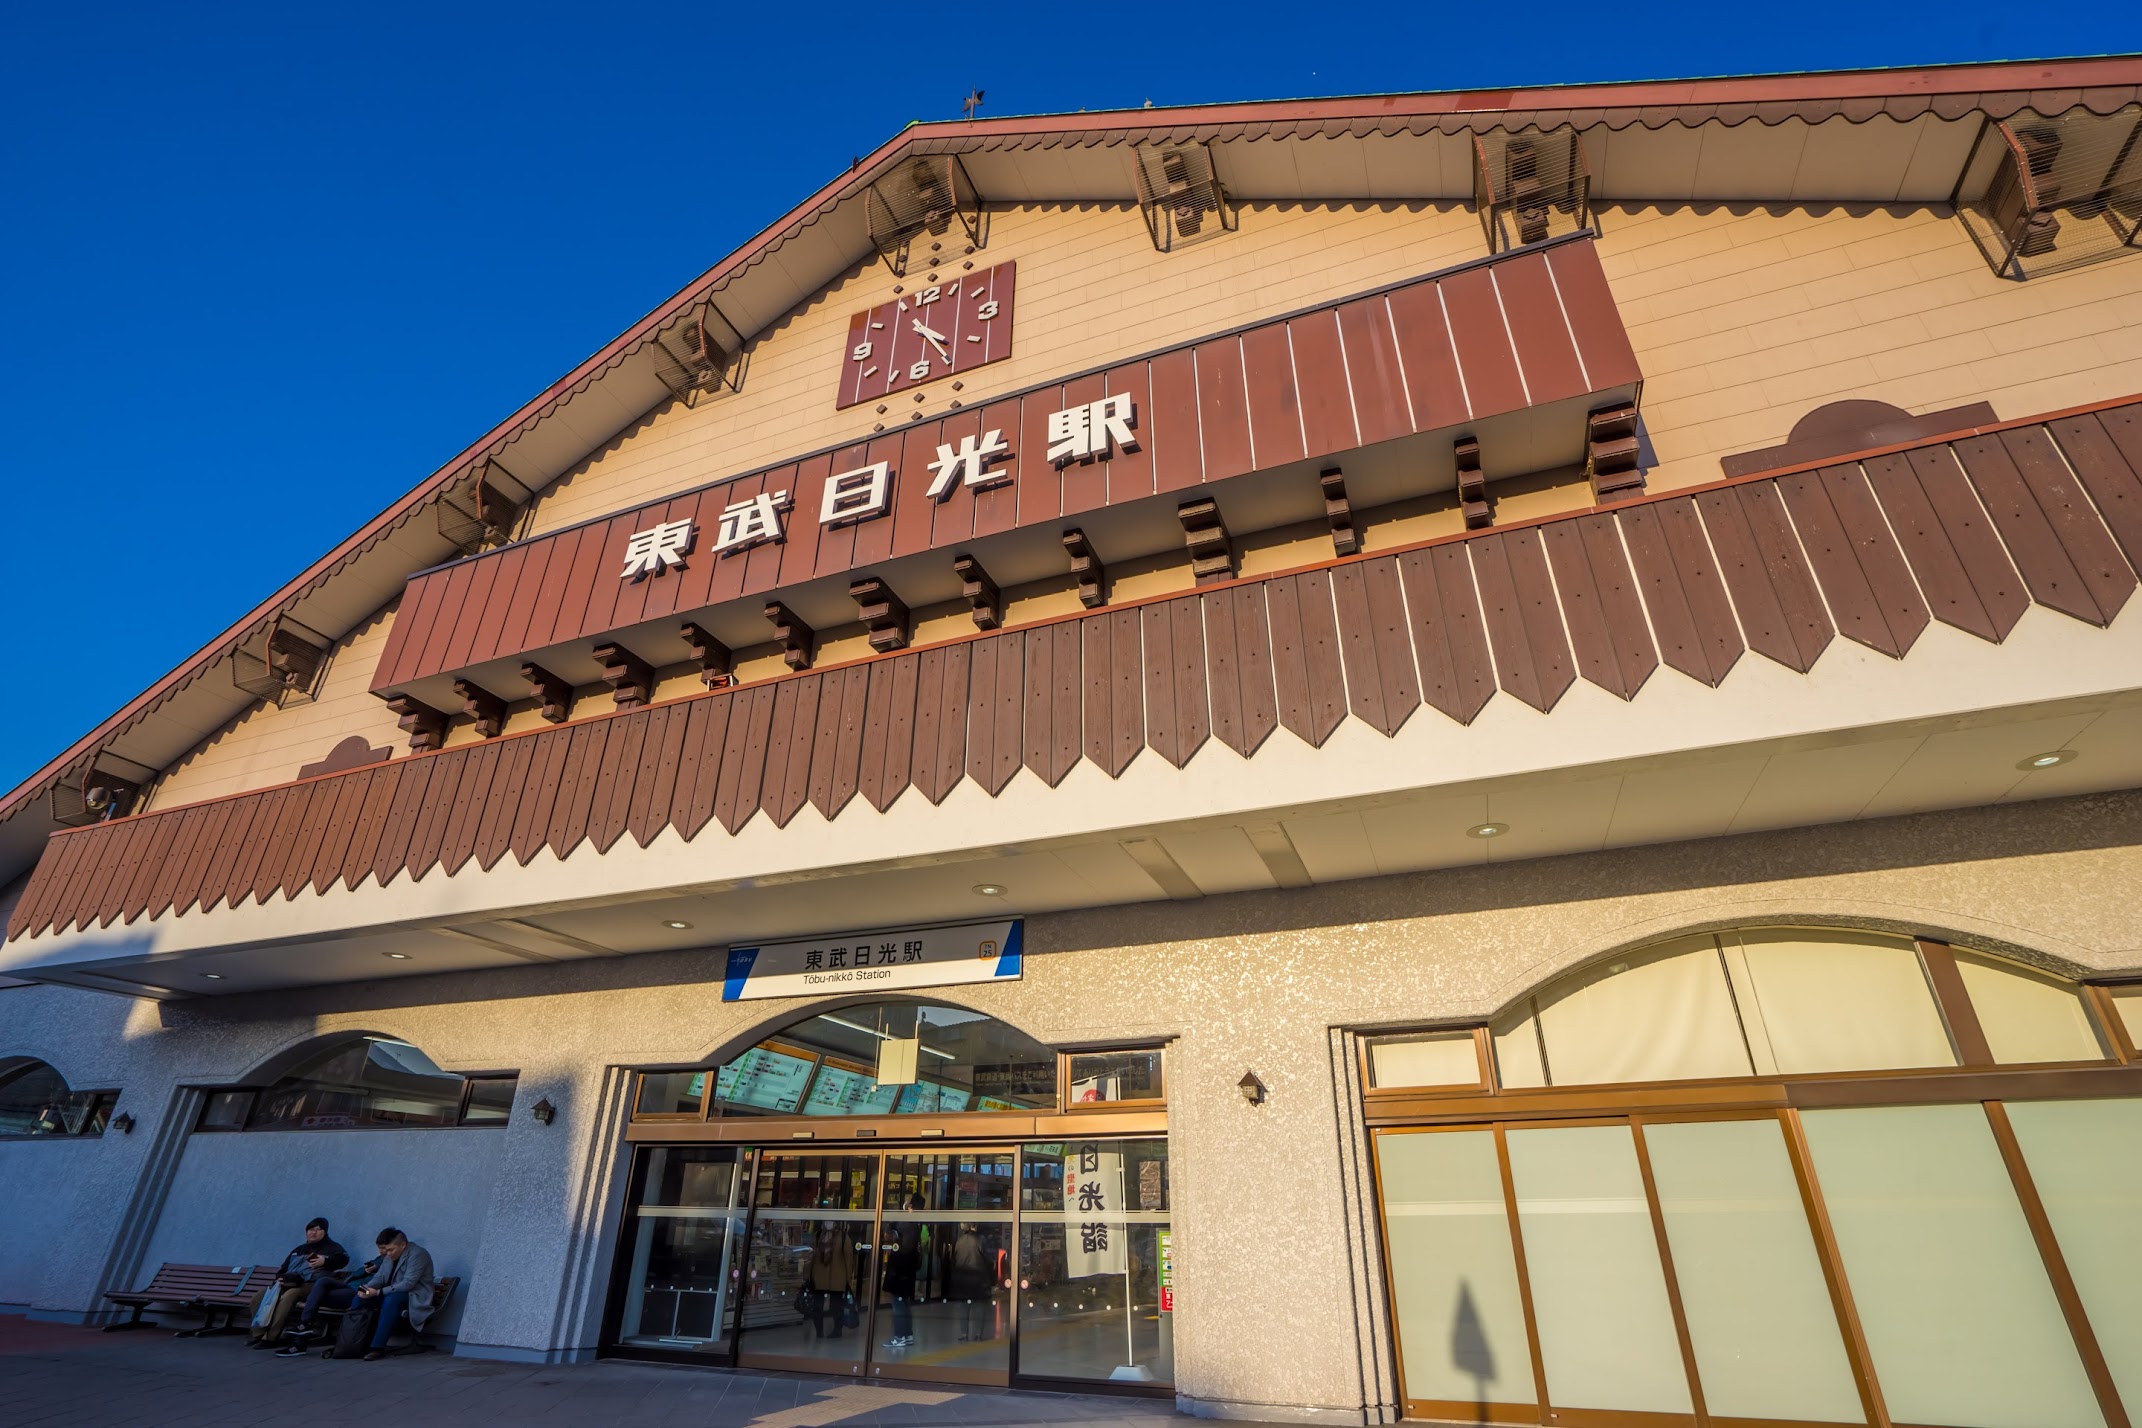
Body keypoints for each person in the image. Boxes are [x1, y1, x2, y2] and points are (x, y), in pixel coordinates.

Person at [276, 1227, 435, 1361]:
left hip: (412, 1296)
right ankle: (349, 1343)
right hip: (389, 1293)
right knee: (360, 1300)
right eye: (385, 1250)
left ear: (403, 1245)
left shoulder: (418, 1254)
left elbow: (408, 1284)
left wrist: (378, 1292)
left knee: (390, 1300)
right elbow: (379, 1278)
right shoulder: (389, 1255)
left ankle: (377, 1347)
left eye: (391, 1250)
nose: (388, 1254)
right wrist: (365, 1289)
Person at [248, 1217, 348, 1349]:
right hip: (288, 1283)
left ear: (325, 1232)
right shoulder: (298, 1250)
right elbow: (283, 1268)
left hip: (311, 1285)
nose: (314, 1232)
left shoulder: (332, 1248)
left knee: (290, 1296)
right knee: (258, 1297)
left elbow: (343, 1259)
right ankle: (259, 1335)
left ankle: (271, 1338)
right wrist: (280, 1278)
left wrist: (326, 1262)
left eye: (318, 1230)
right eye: (311, 1229)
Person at [880, 1197, 922, 1350]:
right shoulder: (915, 1225)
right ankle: (908, 1334)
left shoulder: (906, 1225)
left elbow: (902, 1248)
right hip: (907, 1272)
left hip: (900, 1272)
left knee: (898, 1304)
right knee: (904, 1303)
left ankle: (900, 1336)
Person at [803, 1221, 855, 1340]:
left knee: (836, 1307)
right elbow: (810, 1256)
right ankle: (819, 1331)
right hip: (819, 1277)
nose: (828, 1223)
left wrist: (848, 1278)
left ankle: (837, 1330)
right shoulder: (817, 1235)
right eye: (826, 1220)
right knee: (817, 1307)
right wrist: (807, 1275)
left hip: (837, 1278)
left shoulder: (842, 1237)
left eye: (831, 1221)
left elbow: (848, 1259)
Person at [949, 1224, 991, 1342]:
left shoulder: (959, 1241)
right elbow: (987, 1259)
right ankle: (978, 1334)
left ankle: (964, 1334)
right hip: (978, 1278)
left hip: (963, 1278)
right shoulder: (980, 1240)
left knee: (964, 1308)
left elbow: (955, 1259)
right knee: (979, 1307)